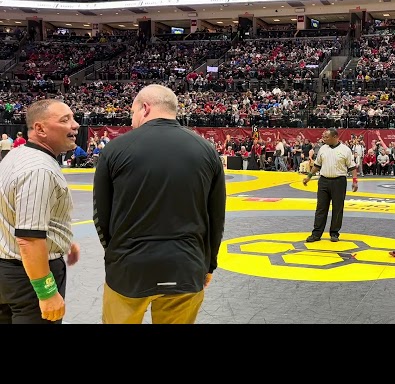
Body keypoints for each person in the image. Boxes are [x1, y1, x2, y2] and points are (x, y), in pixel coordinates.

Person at [93, 84, 226, 324]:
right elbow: (216, 216)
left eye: (132, 113)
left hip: (128, 267)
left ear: (145, 108)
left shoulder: (114, 149)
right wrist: (209, 264)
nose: (132, 120)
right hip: (186, 265)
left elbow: (101, 214)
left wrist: (115, 254)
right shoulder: (207, 150)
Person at [0, 99, 81, 323]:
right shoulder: (39, 169)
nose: (75, 125)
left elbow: (13, 210)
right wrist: (46, 292)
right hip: (29, 276)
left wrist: (62, 240)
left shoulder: (16, 156)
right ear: (40, 129)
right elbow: (29, 238)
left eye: (73, 118)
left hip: (8, 269)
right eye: (65, 120)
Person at [302, 128, 358, 242]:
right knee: (321, 208)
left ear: (335, 137)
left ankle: (334, 233)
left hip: (339, 181)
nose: (324, 138)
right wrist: (308, 176)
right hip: (323, 181)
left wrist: (355, 181)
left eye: (327, 137)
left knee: (337, 208)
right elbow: (317, 165)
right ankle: (316, 233)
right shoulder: (323, 148)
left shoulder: (345, 150)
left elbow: (352, 167)